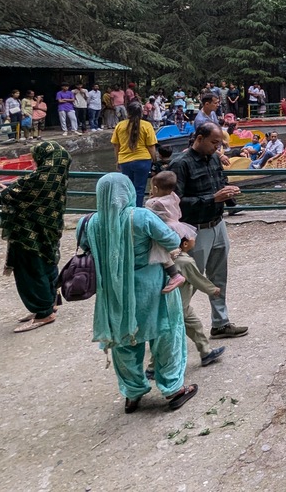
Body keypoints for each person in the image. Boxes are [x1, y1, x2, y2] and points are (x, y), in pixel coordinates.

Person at [80, 173, 198, 413]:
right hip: (153, 285)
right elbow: (172, 239)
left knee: (124, 339)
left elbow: (86, 247)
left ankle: (132, 393)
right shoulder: (141, 216)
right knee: (165, 333)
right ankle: (173, 389)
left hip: (115, 290)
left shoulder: (90, 223)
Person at [0, 141, 70, 332]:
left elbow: (7, 196)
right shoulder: (58, 177)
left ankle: (43, 312)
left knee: (31, 271)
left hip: (28, 234)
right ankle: (50, 304)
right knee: (48, 263)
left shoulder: (36, 180)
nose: (33, 160)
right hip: (50, 229)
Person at [169, 122, 247, 339]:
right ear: (199, 138)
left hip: (217, 224)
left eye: (219, 143)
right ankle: (170, 325)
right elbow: (174, 203)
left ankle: (220, 323)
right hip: (194, 231)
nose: (217, 147)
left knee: (218, 276)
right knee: (190, 281)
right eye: (214, 142)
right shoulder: (180, 164)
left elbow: (219, 182)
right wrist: (211, 198)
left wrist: (227, 192)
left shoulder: (213, 158)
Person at [143, 171, 225, 373]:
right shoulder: (184, 261)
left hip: (182, 303)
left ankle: (205, 352)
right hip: (175, 304)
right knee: (169, 331)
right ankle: (154, 367)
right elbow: (198, 279)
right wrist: (212, 289)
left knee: (192, 325)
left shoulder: (153, 205)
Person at [111, 101, 161, 207]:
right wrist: (155, 161)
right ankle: (136, 212)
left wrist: (117, 161)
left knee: (127, 188)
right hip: (143, 161)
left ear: (128, 112)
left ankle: (127, 211)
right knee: (139, 189)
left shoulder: (120, 126)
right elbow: (151, 146)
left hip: (125, 161)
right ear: (141, 113)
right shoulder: (147, 125)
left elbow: (116, 146)